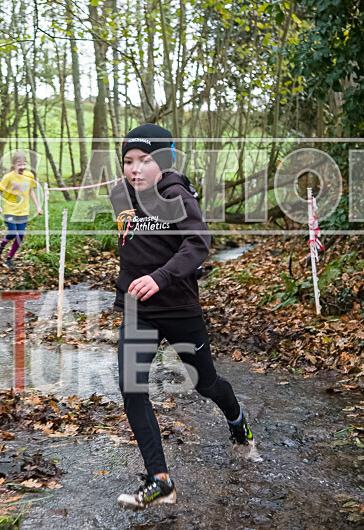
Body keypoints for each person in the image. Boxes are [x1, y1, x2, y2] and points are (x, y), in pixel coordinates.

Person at [110, 124, 257, 510]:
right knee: (131, 386)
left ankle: (237, 419)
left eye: (145, 161)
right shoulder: (121, 194)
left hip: (178, 309)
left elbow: (198, 242)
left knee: (205, 384)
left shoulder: (176, 194)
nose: (136, 169)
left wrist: (160, 277)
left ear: (164, 160)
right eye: (128, 161)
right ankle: (160, 480)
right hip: (138, 309)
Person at [0, 151, 42, 270]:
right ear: (13, 164)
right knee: (13, 233)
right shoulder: (8, 177)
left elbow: (30, 191)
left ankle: (9, 259)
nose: (22, 167)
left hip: (24, 211)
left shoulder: (29, 176)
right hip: (10, 210)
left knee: (20, 237)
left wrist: (38, 206)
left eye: (24, 164)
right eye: (19, 164)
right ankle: (0, 245)